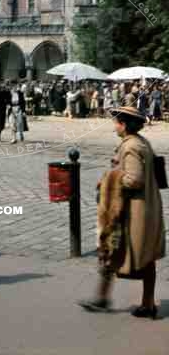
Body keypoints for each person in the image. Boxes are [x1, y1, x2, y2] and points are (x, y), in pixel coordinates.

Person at [79, 106, 165, 318]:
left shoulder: (131, 147)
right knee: (145, 257)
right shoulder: (141, 142)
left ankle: (104, 299)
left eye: (116, 122)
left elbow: (134, 179)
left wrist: (110, 178)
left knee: (112, 249)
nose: (114, 126)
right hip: (144, 207)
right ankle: (146, 303)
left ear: (124, 125)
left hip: (131, 210)